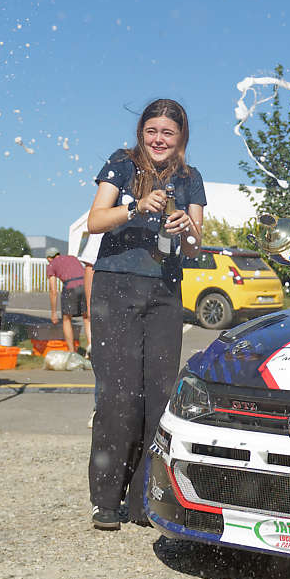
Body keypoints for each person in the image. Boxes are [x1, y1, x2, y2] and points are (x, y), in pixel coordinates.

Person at [84, 99, 205, 530]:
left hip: (165, 292)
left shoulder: (191, 180)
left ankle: (144, 500)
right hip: (116, 286)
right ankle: (107, 499)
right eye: (152, 130)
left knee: (159, 396)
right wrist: (137, 207)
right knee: (119, 395)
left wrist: (184, 229)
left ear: (181, 139)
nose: (158, 139)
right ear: (142, 132)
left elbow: (195, 247)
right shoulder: (122, 163)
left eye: (168, 133)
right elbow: (95, 221)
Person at [45, 246, 90, 353]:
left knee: (66, 319)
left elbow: (53, 290)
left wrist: (53, 313)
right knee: (86, 317)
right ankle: (91, 348)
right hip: (85, 285)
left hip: (70, 288)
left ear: (49, 258)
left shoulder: (51, 264)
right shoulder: (72, 258)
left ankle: (71, 351)